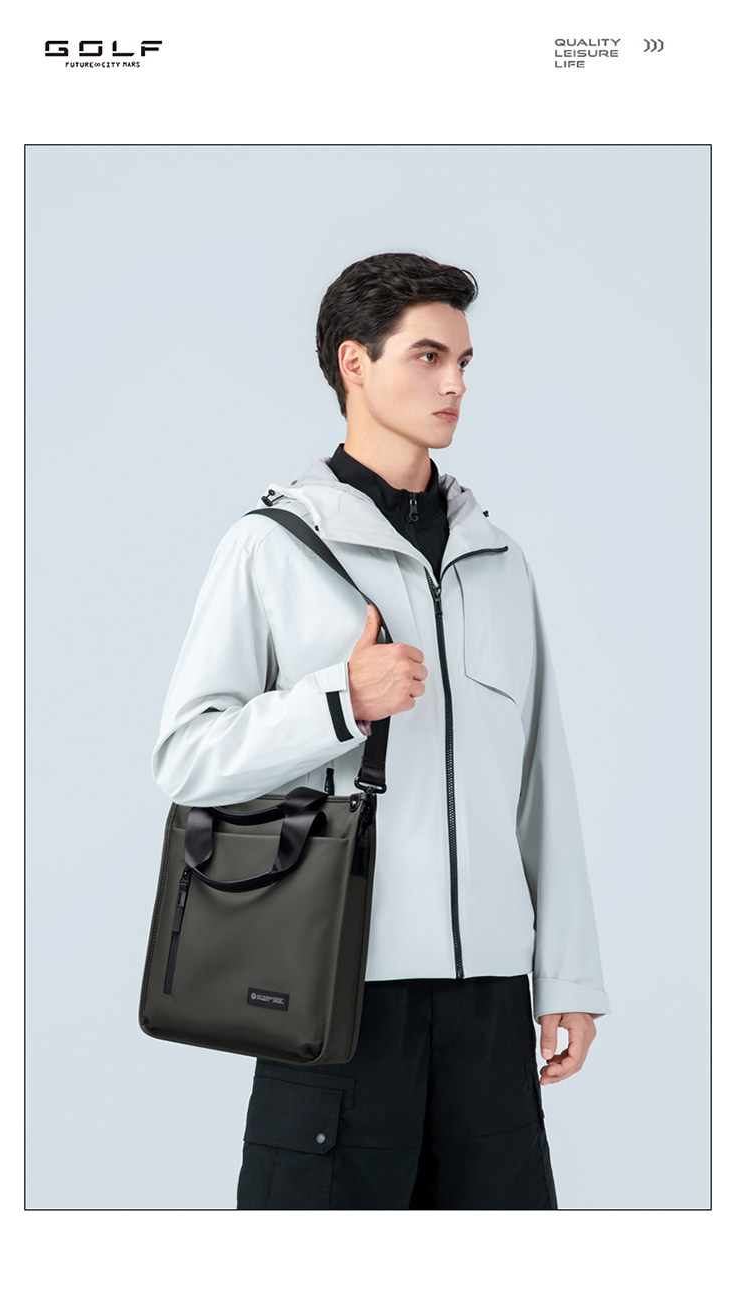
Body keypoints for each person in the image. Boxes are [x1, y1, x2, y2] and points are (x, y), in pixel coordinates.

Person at [151, 251, 611, 1209]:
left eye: (464, 362)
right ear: (354, 363)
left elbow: (541, 779)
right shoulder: (273, 546)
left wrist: (567, 975)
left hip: (490, 1007)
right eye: (428, 356)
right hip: (337, 996)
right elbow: (188, 756)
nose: (455, 385)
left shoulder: (498, 558)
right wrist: (338, 701)